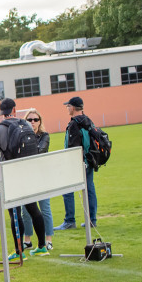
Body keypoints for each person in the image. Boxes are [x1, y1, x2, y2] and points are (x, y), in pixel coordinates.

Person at [0, 98, 48, 258]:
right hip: (27, 173)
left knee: (15, 213)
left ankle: (19, 250)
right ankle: (42, 246)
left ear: (1, 112)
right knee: (34, 209)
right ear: (14, 110)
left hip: (9, 174)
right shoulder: (25, 124)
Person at [55, 96, 99, 230]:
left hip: (78, 162)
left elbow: (73, 147)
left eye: (68, 106)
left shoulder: (74, 123)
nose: (67, 109)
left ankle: (69, 220)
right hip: (90, 160)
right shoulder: (87, 120)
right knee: (89, 188)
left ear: (73, 107)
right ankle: (92, 220)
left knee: (67, 190)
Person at [20, 110, 55, 251]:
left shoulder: (44, 136)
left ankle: (48, 239)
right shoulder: (21, 136)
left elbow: (40, 151)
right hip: (26, 177)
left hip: (41, 177)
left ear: (40, 121)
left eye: (35, 119)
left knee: (45, 209)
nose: (33, 122)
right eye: (29, 120)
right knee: (25, 211)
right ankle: (27, 240)